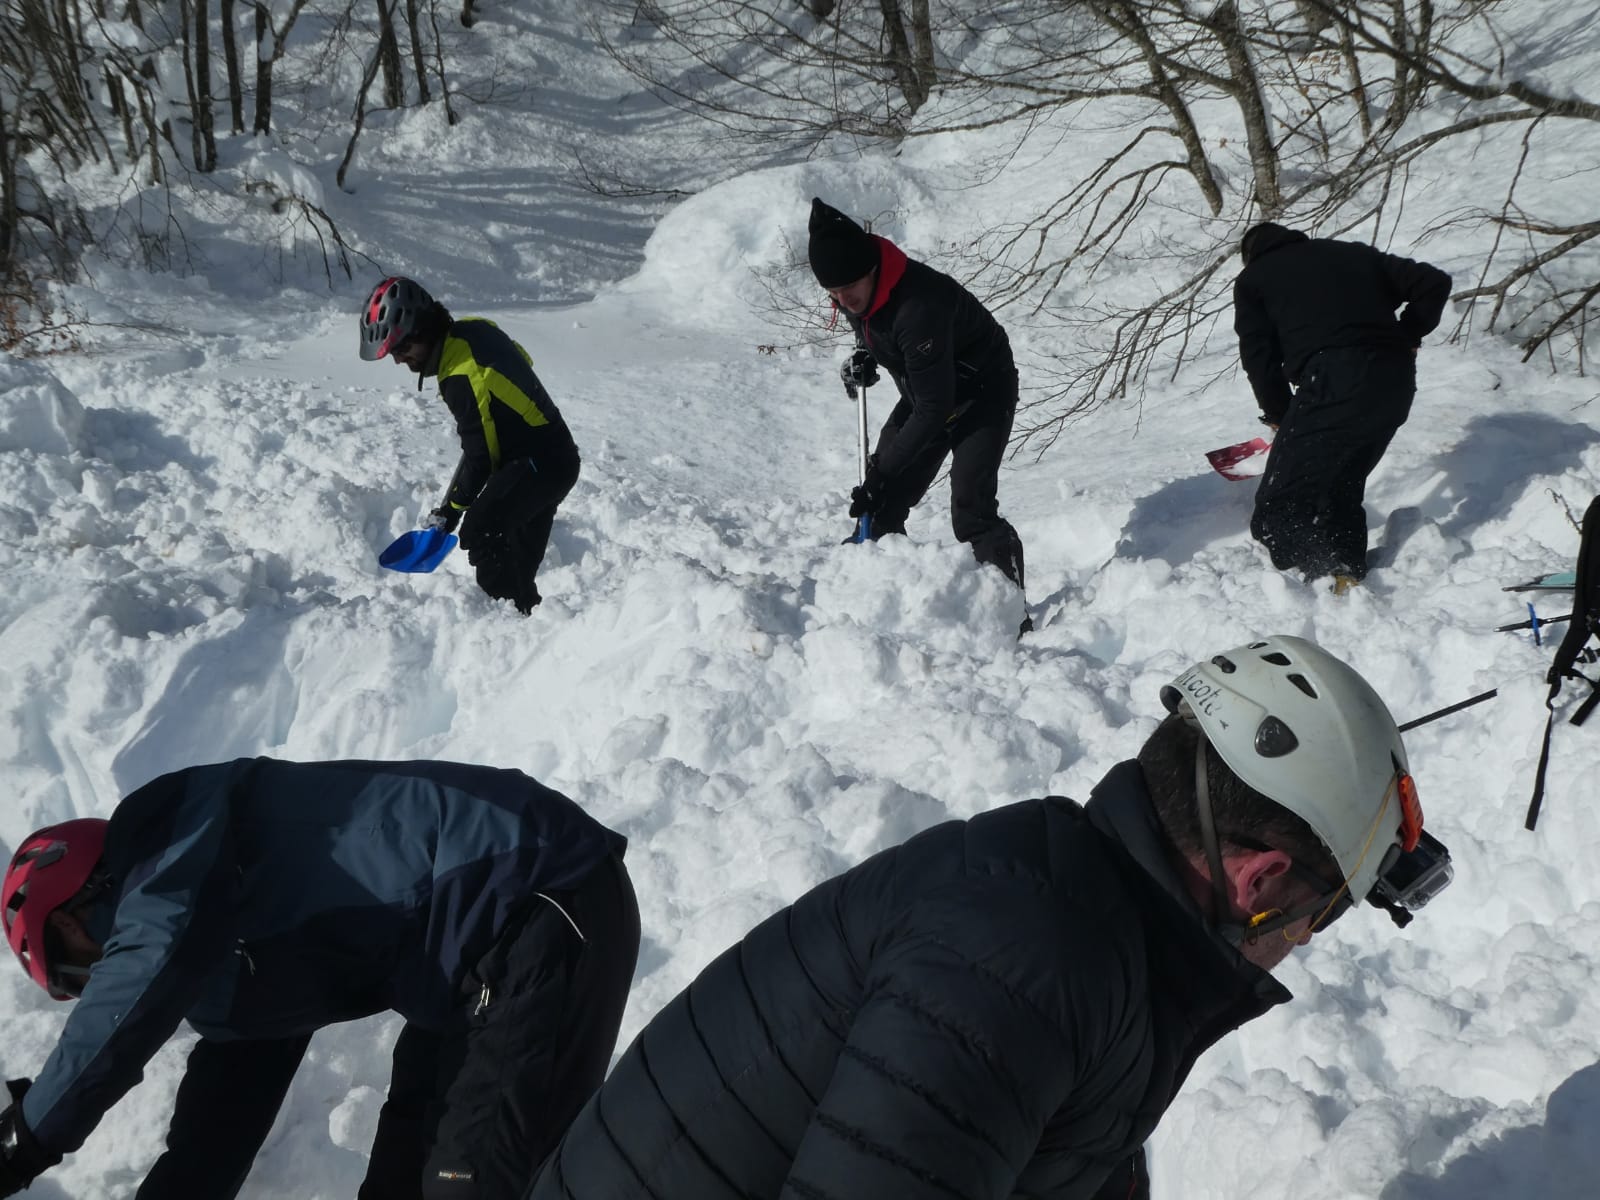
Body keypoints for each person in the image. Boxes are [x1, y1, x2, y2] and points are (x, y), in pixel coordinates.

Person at [526, 634, 1453, 1200]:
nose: (1305, 942)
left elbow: (1077, 1158)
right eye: (1322, 913)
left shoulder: (1111, 929)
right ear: (1259, 881)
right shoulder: (1025, 962)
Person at [0, 757, 640, 1200]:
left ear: (83, 888)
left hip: (540, 895)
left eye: (74, 956)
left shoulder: (166, 834)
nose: (92, 977)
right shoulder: (227, 948)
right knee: (406, 1185)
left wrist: (23, 1137)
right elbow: (211, 1143)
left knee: (473, 1184)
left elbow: (143, 971)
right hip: (469, 970)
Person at [807, 198, 1027, 600]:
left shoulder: (918, 306)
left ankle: (1010, 616)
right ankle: (886, 603)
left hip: (982, 392)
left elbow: (933, 410)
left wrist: (881, 472)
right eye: (833, 293)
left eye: (849, 287)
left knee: (971, 510)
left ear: (871, 269)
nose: (844, 300)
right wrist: (865, 355)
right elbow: (884, 335)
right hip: (929, 389)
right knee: (881, 504)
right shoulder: (859, 291)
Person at [1233, 222, 1452, 588]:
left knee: (1280, 505)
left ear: (1250, 257)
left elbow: (1260, 356)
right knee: (1339, 484)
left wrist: (1279, 415)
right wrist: (1407, 334)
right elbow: (1434, 283)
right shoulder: (1353, 253)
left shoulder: (1254, 279)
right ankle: (1345, 575)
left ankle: (1311, 584)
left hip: (1334, 378)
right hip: (1394, 382)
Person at [361, 276, 581, 614]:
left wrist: (452, 512)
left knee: (482, 531)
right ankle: (534, 626)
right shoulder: (473, 331)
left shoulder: (460, 375)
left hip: (541, 464)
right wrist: (448, 512)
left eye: (401, 348)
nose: (399, 360)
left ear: (422, 329)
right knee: (516, 567)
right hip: (547, 458)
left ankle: (508, 629)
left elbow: (480, 457)